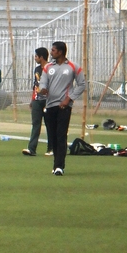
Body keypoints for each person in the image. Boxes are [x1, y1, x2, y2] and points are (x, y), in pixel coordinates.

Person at [39, 41, 86, 176]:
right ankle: (56, 163)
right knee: (52, 136)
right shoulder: (48, 67)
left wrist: (69, 98)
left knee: (61, 135)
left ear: (60, 52)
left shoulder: (72, 66)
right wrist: (42, 90)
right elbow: (43, 83)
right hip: (50, 105)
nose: (51, 52)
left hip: (64, 106)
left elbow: (82, 84)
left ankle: (59, 166)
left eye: (53, 50)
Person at [22, 48, 52, 156]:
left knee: (50, 125)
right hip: (37, 100)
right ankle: (31, 148)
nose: (35, 58)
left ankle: (51, 148)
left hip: (49, 100)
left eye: (36, 56)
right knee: (35, 124)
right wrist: (32, 99)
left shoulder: (51, 68)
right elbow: (35, 85)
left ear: (41, 57)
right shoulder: (37, 69)